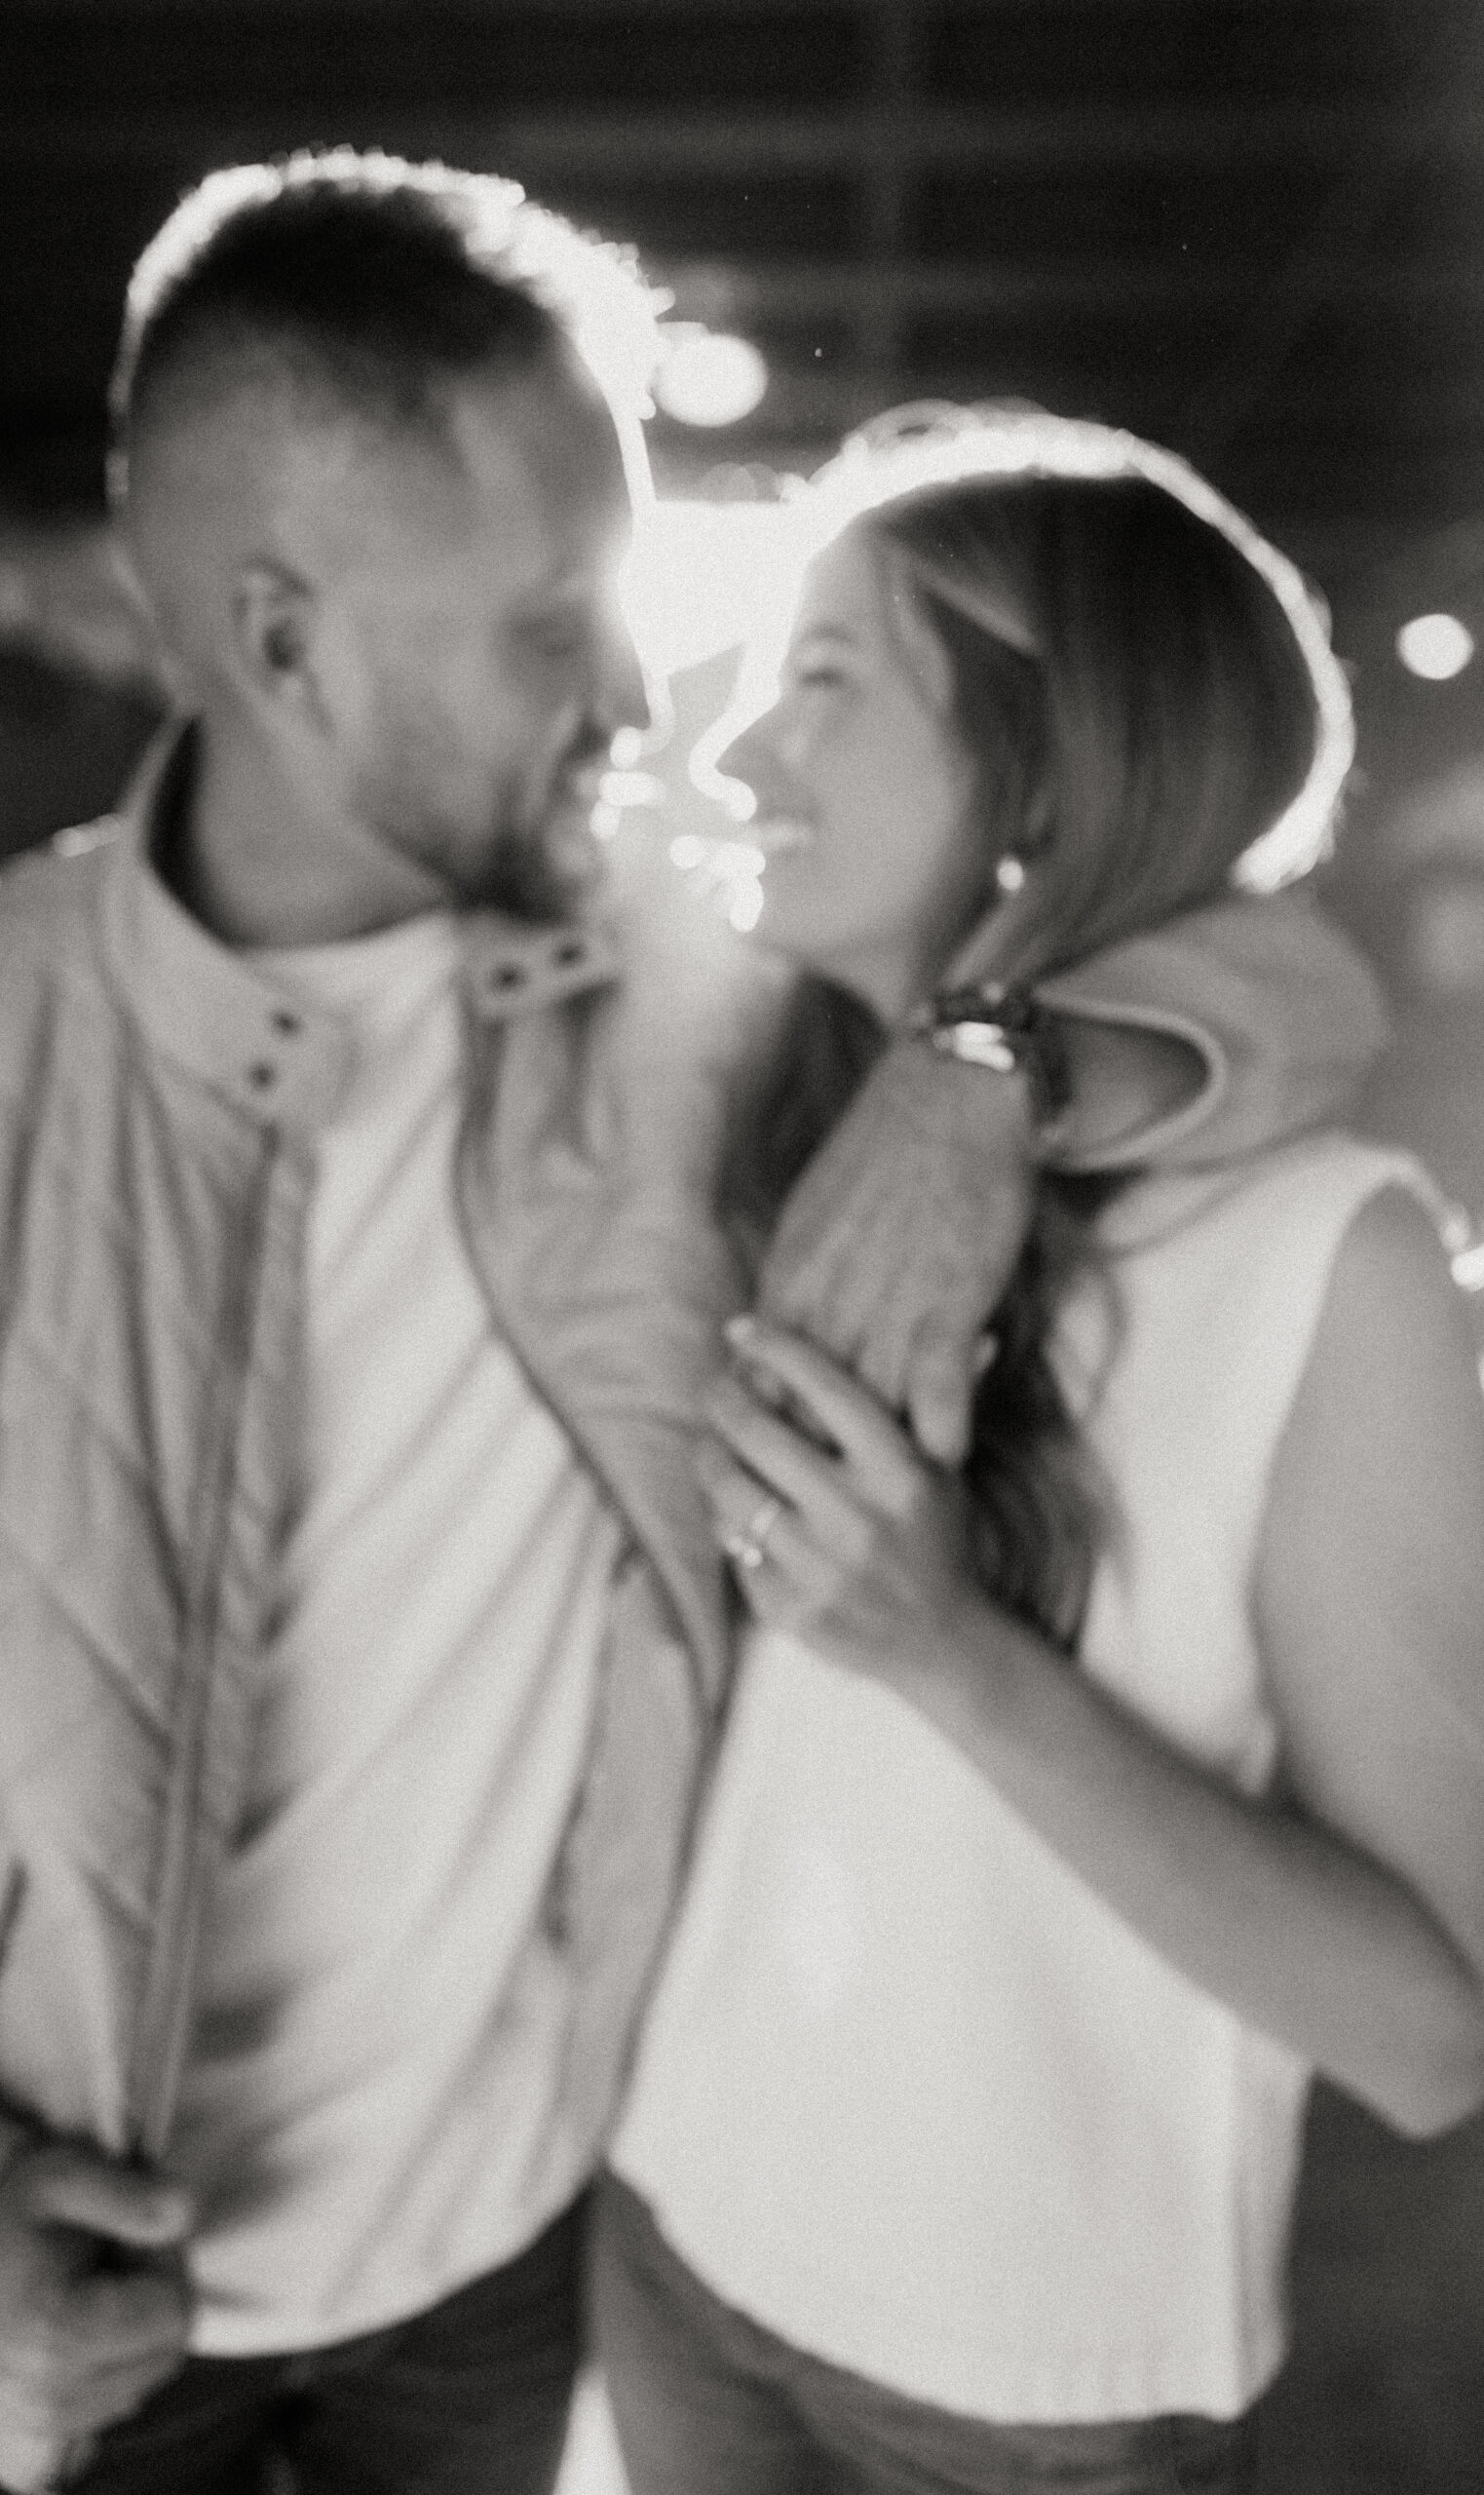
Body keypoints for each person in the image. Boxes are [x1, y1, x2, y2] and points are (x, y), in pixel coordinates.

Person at [0, 156, 1392, 2492]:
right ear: (283, 642)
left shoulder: (691, 988)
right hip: (50, 2293)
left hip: (506, 2287)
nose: (644, 693)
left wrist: (999, 1061)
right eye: (554, 623)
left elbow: (1265, 961)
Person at [592, 405, 1484, 2495]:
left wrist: (946, 1647)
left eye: (822, 679)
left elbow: (1429, 2031)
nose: (737, 755)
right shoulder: (767, 1108)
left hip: (1022, 2386)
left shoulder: (1316, 1258)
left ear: (1047, 767)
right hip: (675, 2226)